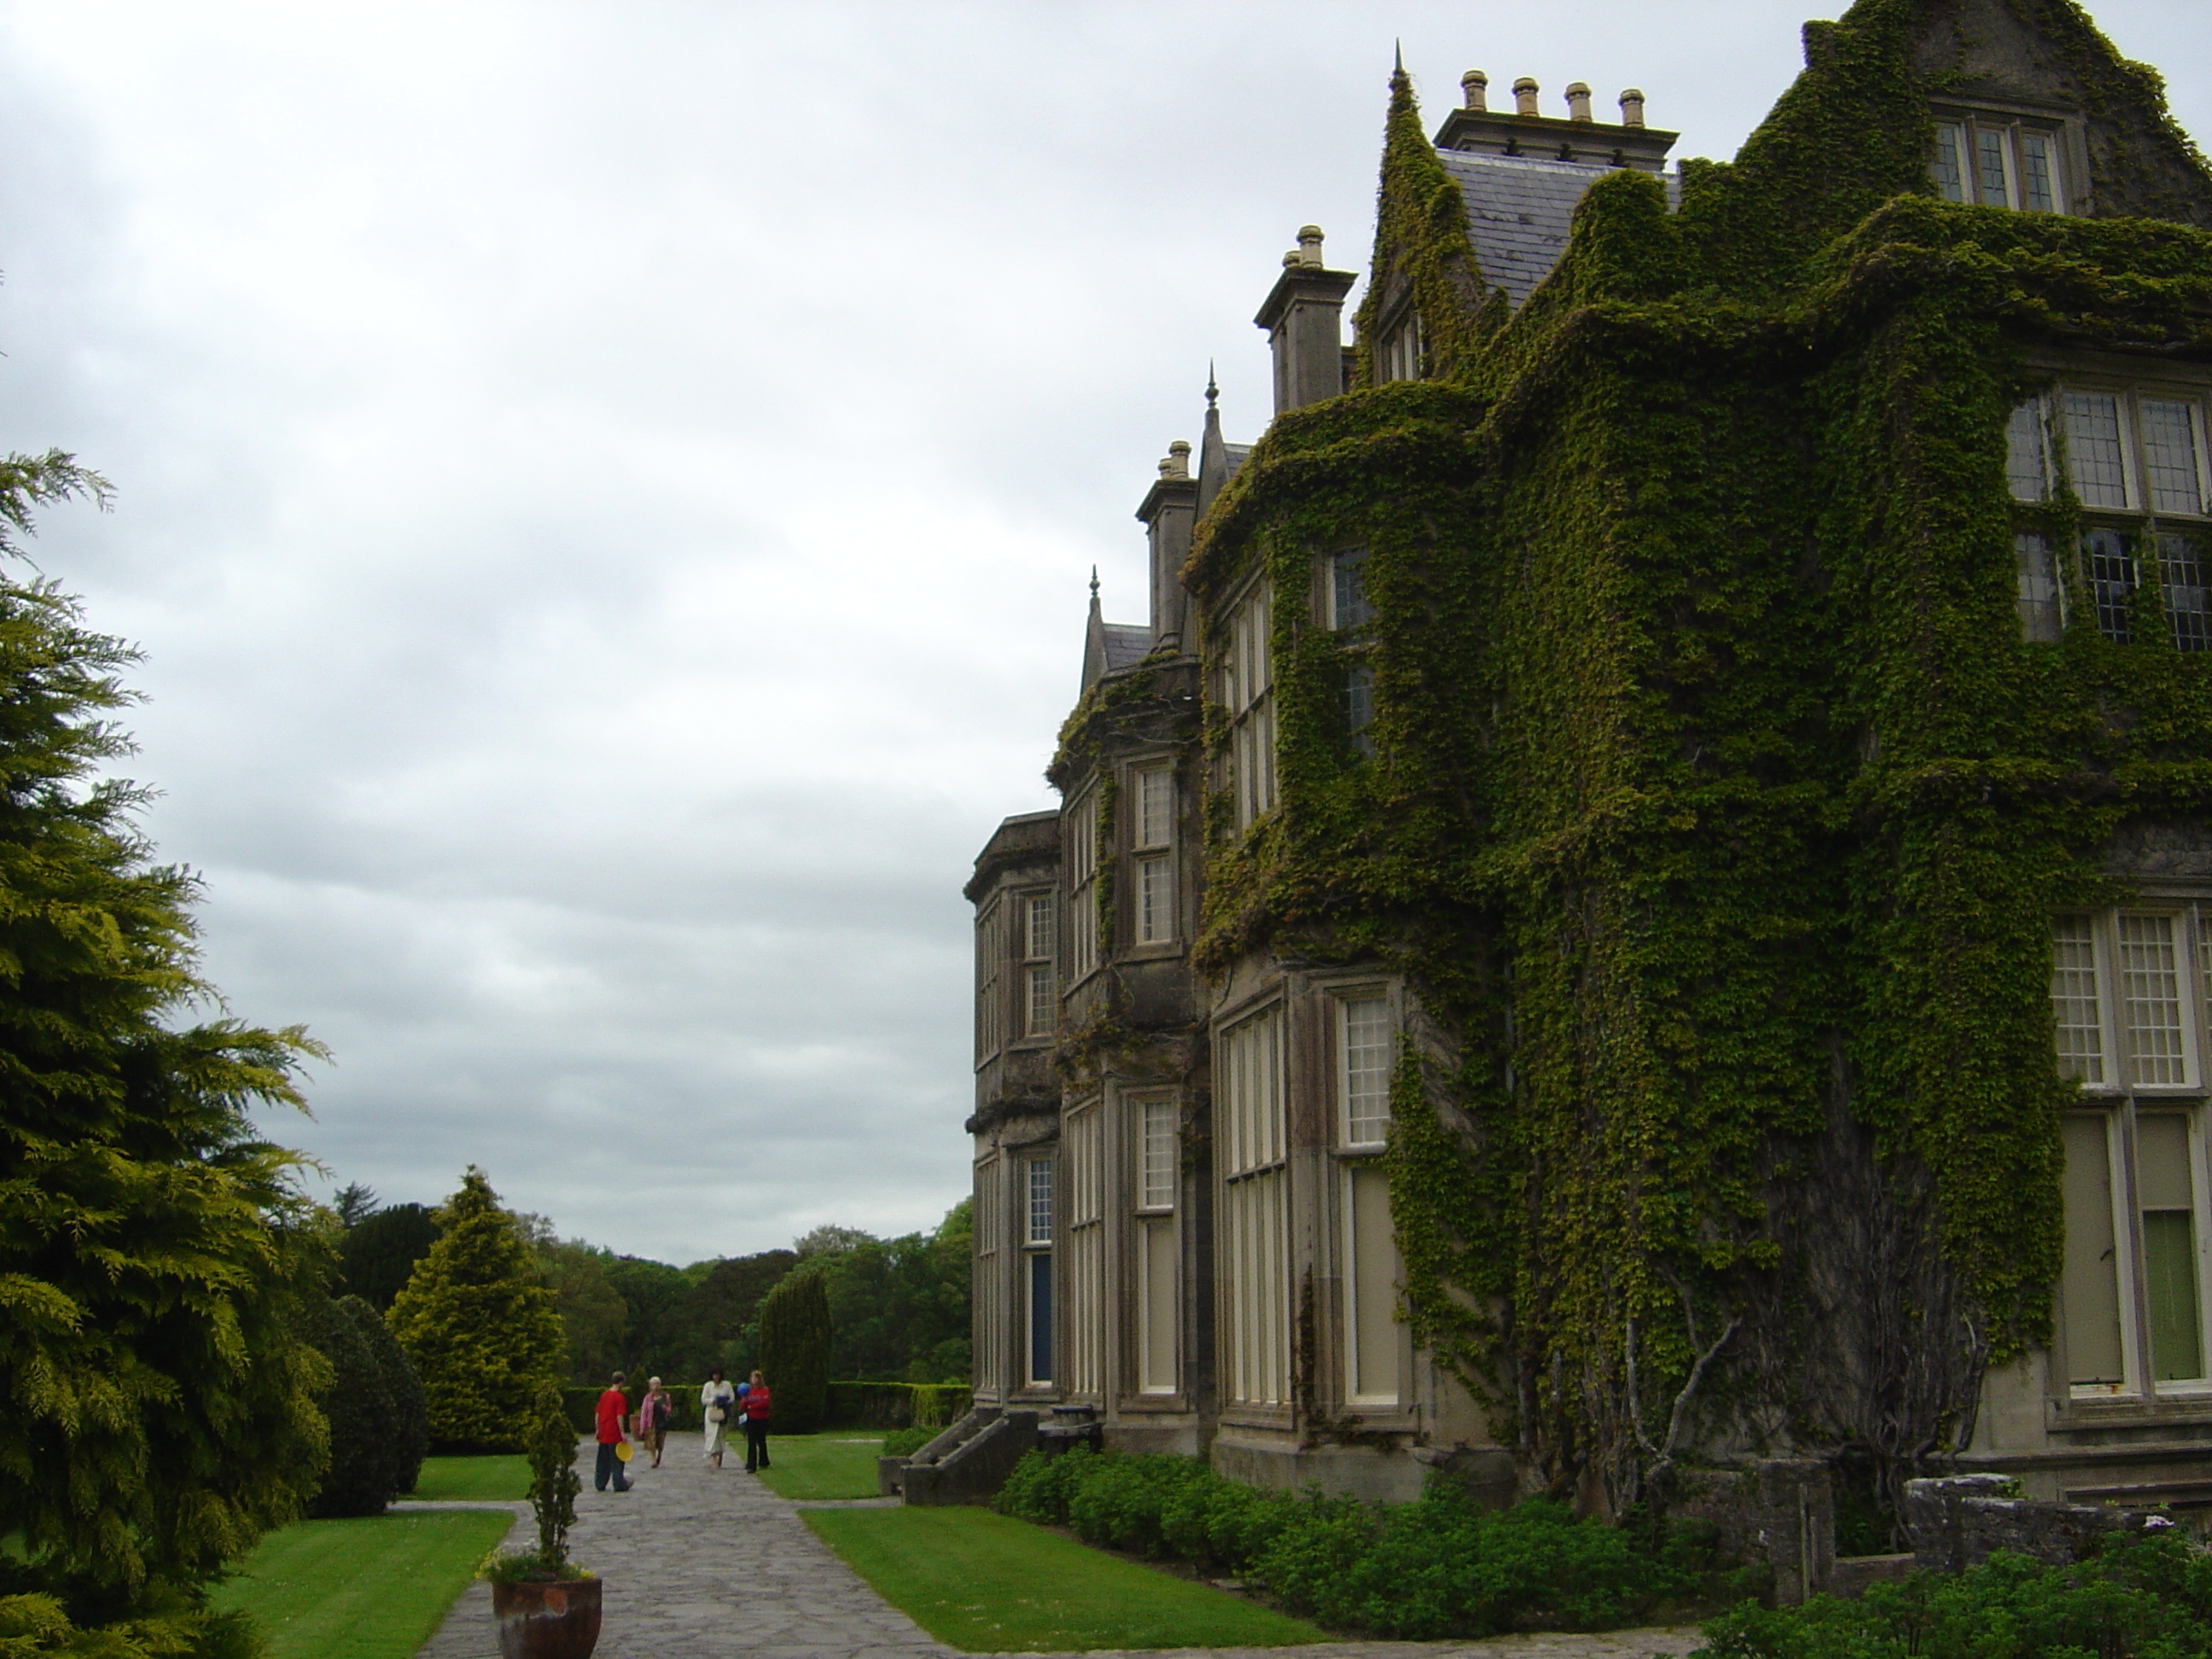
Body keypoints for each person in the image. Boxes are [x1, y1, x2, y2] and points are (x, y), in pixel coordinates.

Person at [592, 1371, 632, 1493]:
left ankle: (600, 1483)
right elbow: (619, 1416)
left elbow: (597, 1413)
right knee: (617, 1460)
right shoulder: (619, 1397)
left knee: (602, 1460)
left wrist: (598, 1429)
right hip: (614, 1432)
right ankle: (619, 1484)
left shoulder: (604, 1395)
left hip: (603, 1431)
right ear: (621, 1382)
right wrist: (622, 1433)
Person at [700, 1368, 736, 1469]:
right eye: (714, 1375)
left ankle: (720, 1455)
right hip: (711, 1412)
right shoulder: (708, 1385)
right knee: (711, 1434)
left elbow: (732, 1397)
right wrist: (713, 1400)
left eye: (717, 1375)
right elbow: (703, 1400)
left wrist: (725, 1401)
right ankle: (714, 1458)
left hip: (723, 1412)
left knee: (721, 1434)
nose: (716, 1377)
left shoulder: (727, 1385)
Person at [637, 1376, 672, 1469]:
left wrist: (666, 1409)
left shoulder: (665, 1396)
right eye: (653, 1384)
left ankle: (659, 1455)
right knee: (651, 1442)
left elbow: (669, 1409)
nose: (655, 1386)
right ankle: (653, 1460)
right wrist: (642, 1427)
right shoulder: (648, 1398)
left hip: (662, 1422)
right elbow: (644, 1412)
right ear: (650, 1386)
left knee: (660, 1442)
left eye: (657, 1383)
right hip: (651, 1423)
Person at [742, 1369, 771, 1472]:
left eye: (756, 1378)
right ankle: (751, 1464)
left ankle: (764, 1461)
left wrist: (751, 1406)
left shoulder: (765, 1390)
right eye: (753, 1378)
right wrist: (745, 1401)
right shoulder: (748, 1391)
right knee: (751, 1441)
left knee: (761, 1440)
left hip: (762, 1418)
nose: (754, 1380)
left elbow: (764, 1403)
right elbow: (742, 1407)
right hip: (751, 1419)